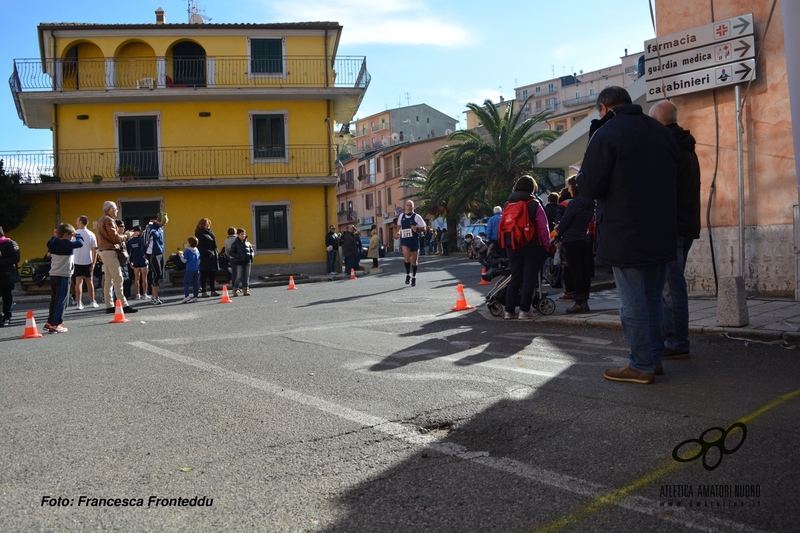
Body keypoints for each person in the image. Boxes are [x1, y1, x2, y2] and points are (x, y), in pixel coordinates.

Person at [576, 86, 678, 384]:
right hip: (661, 229)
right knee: (653, 300)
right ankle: (654, 359)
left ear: (604, 108)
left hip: (626, 231)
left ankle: (640, 365)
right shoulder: (661, 132)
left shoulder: (606, 134)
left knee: (633, 302)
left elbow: (590, 186)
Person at [650, 100, 701, 361]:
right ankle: (673, 337)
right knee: (673, 283)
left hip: (671, 224)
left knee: (671, 286)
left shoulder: (666, 146)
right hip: (687, 222)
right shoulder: (686, 144)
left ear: (658, 122)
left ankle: (677, 341)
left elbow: (661, 189)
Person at [501, 175, 550, 320]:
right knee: (529, 278)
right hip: (533, 245)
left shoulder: (507, 204)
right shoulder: (535, 203)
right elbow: (543, 227)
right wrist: (546, 246)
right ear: (532, 187)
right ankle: (524, 310)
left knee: (515, 276)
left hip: (513, 244)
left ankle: (509, 311)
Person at [553, 176, 595, 314]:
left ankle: (579, 302)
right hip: (584, 238)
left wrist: (558, 228)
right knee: (585, 271)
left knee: (576, 272)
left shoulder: (574, 203)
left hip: (572, 240)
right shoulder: (589, 202)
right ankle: (585, 300)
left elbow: (565, 222)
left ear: (574, 187)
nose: (568, 188)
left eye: (569, 186)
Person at [96, 201, 139, 315]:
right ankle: (124, 304)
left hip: (105, 251)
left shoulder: (102, 220)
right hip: (110, 251)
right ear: (110, 209)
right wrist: (127, 236)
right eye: (115, 209)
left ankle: (109, 305)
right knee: (118, 278)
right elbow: (115, 237)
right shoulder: (109, 220)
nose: (116, 211)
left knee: (109, 280)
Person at [44, 223, 84, 333]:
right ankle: (55, 324)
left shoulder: (53, 241)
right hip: (63, 275)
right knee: (62, 300)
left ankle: (50, 321)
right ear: (66, 235)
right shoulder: (65, 243)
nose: (72, 238)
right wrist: (77, 235)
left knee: (55, 299)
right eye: (71, 236)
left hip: (54, 274)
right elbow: (80, 243)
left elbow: (53, 239)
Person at [396, 200, 427, 286]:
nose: (409, 207)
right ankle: (407, 275)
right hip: (405, 240)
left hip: (414, 240)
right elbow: (399, 226)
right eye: (407, 205)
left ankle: (414, 276)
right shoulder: (401, 216)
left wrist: (416, 229)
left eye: (411, 205)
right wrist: (398, 232)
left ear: (413, 207)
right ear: (405, 207)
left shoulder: (417, 217)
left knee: (414, 260)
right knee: (406, 256)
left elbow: (424, 228)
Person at [72, 216, 99, 309]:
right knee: (89, 281)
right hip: (88, 260)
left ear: (80, 222)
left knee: (78, 281)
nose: (76, 222)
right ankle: (92, 301)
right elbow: (95, 249)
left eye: (77, 221)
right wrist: (94, 262)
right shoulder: (91, 234)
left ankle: (79, 303)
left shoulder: (74, 234)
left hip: (77, 261)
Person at [142, 212, 168, 305]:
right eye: (164, 222)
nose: (165, 224)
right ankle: (153, 297)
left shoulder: (160, 229)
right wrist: (144, 252)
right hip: (152, 253)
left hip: (160, 252)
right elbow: (145, 241)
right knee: (157, 274)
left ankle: (156, 296)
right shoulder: (150, 228)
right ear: (159, 221)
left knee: (160, 274)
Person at [0, 226, 20, 327]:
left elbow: (16, 258)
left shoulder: (10, 243)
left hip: (6, 274)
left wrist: (1, 262)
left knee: (7, 296)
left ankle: (7, 316)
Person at [195, 218, 219, 297]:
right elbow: (200, 246)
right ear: (202, 225)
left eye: (209, 223)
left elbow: (214, 244)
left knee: (212, 274)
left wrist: (216, 252)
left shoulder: (210, 232)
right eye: (207, 224)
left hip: (213, 255)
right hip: (205, 256)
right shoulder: (199, 234)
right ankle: (204, 291)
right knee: (204, 274)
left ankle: (213, 290)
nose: (208, 225)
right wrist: (208, 253)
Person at [229, 228, 255, 295]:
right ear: (238, 235)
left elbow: (251, 250)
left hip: (247, 262)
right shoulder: (235, 244)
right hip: (239, 262)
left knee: (246, 276)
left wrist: (251, 256)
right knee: (238, 276)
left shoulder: (247, 243)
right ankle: (235, 289)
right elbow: (231, 252)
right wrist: (238, 256)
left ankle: (246, 289)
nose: (243, 235)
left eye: (244, 234)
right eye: (241, 234)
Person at [127, 225, 149, 300]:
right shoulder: (142, 239)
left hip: (135, 260)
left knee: (136, 279)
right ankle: (145, 294)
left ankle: (137, 294)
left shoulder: (130, 241)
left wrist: (130, 261)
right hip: (143, 260)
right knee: (144, 278)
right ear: (138, 232)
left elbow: (128, 252)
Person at [178, 236, 200, 303]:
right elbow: (199, 261)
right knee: (196, 283)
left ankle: (187, 296)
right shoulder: (197, 250)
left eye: (187, 242)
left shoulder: (187, 251)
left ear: (190, 244)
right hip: (196, 269)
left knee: (186, 282)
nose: (187, 243)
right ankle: (195, 296)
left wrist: (181, 255)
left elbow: (184, 260)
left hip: (189, 269)